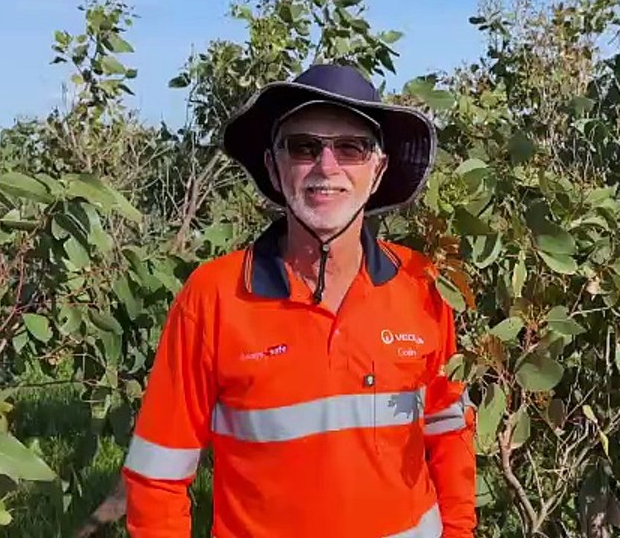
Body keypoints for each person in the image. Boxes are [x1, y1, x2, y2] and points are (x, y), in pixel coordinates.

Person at [119, 63, 477, 537]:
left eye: (351, 148)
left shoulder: (422, 283)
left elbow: (449, 433)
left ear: (378, 169)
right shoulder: (213, 297)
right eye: (304, 147)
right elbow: (157, 474)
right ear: (273, 166)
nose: (326, 168)